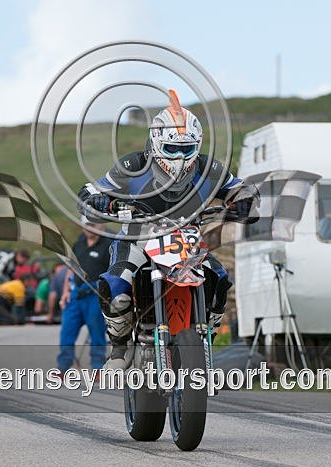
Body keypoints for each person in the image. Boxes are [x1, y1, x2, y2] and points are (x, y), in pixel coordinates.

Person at [78, 90, 258, 369]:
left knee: (219, 278)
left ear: (197, 146)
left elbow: (239, 188)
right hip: (137, 238)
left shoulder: (209, 168)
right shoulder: (132, 165)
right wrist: (98, 199)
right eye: (172, 149)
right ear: (155, 142)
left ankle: (206, 331)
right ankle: (120, 345)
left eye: (187, 149)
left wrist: (244, 202)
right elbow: (90, 189)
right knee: (116, 285)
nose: (179, 156)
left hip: (188, 240)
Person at [55, 217, 114, 373]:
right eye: (86, 225)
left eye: (93, 225)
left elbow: (113, 272)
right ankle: (62, 367)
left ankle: (98, 368)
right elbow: (71, 267)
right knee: (67, 331)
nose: (89, 229)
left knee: (96, 332)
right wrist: (65, 292)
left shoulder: (109, 244)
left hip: (95, 294)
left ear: (101, 226)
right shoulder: (80, 242)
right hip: (76, 293)